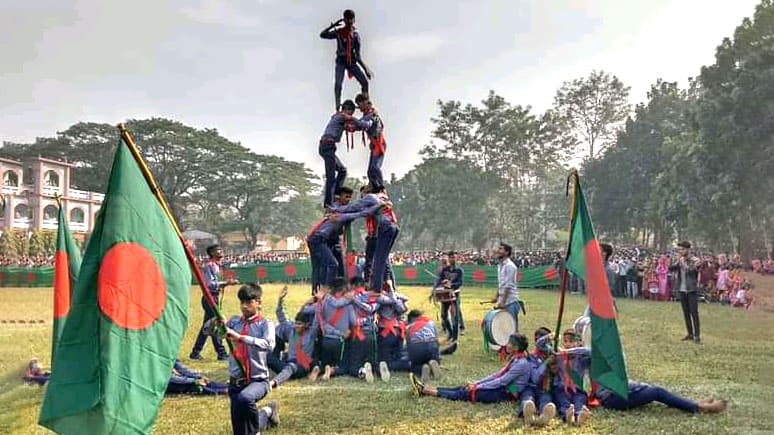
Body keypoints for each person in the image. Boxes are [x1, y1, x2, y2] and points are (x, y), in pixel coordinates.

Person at [223, 283, 280, 435]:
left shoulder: (265, 324)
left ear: (259, 303)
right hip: (236, 383)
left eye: (249, 302)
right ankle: (268, 412)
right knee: (241, 431)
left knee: (246, 398)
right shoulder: (234, 322)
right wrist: (216, 324)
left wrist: (241, 338)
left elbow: (268, 345)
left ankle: (256, 432)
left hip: (258, 381)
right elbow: (212, 332)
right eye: (242, 302)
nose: (244, 306)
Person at [410, 333, 530, 404]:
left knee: (465, 393)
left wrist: (478, 387)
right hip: (505, 387)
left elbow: (502, 381)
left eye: (510, 343)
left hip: (508, 392)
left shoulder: (521, 363)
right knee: (464, 388)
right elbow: (497, 375)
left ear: (516, 347)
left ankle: (424, 391)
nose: (507, 344)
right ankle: (426, 388)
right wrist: (477, 382)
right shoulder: (517, 358)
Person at [318, 99, 373, 208]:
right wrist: (370, 115)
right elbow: (360, 124)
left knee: (342, 170)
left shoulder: (338, 117)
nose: (350, 116)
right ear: (346, 110)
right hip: (327, 145)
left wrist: (366, 118)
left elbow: (357, 127)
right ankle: (328, 204)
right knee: (331, 176)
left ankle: (336, 194)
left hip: (328, 146)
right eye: (351, 113)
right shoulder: (341, 116)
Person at [190, 244, 236, 361]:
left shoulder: (217, 266)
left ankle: (196, 352)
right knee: (217, 323)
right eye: (218, 250)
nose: (221, 251)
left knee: (208, 326)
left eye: (221, 249)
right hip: (209, 297)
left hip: (214, 297)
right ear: (212, 253)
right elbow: (209, 284)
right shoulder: (209, 266)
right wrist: (226, 283)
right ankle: (221, 353)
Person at [320, 9, 371, 111]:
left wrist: (366, 69)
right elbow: (323, 35)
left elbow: (358, 56)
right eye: (347, 20)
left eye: (351, 20)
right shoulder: (339, 33)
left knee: (365, 82)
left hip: (351, 62)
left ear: (354, 20)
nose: (349, 22)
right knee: (338, 84)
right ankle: (338, 107)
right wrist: (332, 25)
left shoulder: (355, 36)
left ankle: (366, 105)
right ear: (344, 20)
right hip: (341, 62)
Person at [269, 288, 320, 388]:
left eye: (299, 324)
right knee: (266, 356)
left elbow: (318, 318)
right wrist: (280, 300)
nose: (297, 326)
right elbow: (281, 316)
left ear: (306, 325)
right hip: (288, 362)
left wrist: (321, 300)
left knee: (291, 367)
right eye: (296, 323)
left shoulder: (311, 333)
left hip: (302, 366)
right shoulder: (291, 330)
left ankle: (273, 383)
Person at [597, 381, 726, 414]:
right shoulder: (580, 357)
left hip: (617, 390)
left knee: (652, 387)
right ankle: (697, 407)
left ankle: (691, 402)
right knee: (656, 392)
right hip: (610, 398)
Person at [552, 330, 592, 426]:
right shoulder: (558, 357)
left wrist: (567, 351)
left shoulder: (581, 359)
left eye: (571, 341)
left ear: (578, 343)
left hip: (577, 390)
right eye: (565, 341)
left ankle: (579, 416)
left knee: (579, 402)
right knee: (563, 403)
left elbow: (590, 351)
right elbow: (541, 346)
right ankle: (567, 416)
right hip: (561, 389)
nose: (567, 344)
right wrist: (550, 338)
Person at [670, 241, 701, 343]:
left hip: (691, 289)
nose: (681, 251)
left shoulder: (695, 260)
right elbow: (671, 269)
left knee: (694, 313)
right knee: (686, 312)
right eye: (680, 249)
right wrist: (674, 260)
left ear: (688, 250)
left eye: (682, 249)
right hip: (682, 289)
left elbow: (691, 271)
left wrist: (683, 263)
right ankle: (690, 333)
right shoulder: (680, 260)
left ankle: (697, 335)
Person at [355, 93, 386, 191]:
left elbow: (366, 124)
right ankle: (374, 187)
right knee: (370, 171)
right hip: (374, 144)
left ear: (364, 103)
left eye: (359, 105)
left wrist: (352, 120)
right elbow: (360, 124)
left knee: (375, 168)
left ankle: (381, 187)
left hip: (379, 143)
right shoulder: (367, 114)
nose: (359, 108)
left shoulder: (372, 114)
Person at [490, 243, 521, 332]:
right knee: (504, 328)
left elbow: (508, 286)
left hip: (510, 301)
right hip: (503, 300)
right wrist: (496, 297)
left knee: (512, 328)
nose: (498, 251)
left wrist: (503, 302)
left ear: (506, 252)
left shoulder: (510, 266)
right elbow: (501, 284)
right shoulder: (500, 265)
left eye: (501, 249)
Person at [434, 251, 464, 343]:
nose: (452, 259)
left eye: (454, 257)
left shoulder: (459, 270)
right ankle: (450, 333)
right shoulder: (445, 269)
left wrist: (451, 284)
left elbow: (460, 283)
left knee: (455, 317)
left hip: (455, 295)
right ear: (449, 258)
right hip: (445, 295)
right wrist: (441, 283)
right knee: (443, 315)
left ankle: (455, 338)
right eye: (451, 257)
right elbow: (439, 280)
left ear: (457, 258)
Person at [404, 309, 442, 382]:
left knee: (414, 366)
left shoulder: (409, 326)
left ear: (411, 318)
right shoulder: (431, 322)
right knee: (434, 358)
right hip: (432, 346)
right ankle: (433, 362)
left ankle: (421, 368)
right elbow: (436, 340)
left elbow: (409, 345)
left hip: (418, 347)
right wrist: (438, 356)